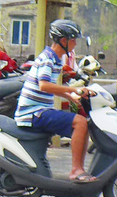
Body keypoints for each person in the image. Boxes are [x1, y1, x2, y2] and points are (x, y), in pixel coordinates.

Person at [14, 19, 96, 183]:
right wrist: (73, 90)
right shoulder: (48, 59)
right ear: (63, 41)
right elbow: (44, 86)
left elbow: (53, 86)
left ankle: (80, 169)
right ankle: (75, 170)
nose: (75, 44)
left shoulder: (56, 59)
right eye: (73, 40)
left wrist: (71, 98)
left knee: (84, 123)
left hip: (39, 110)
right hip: (33, 113)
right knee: (80, 123)